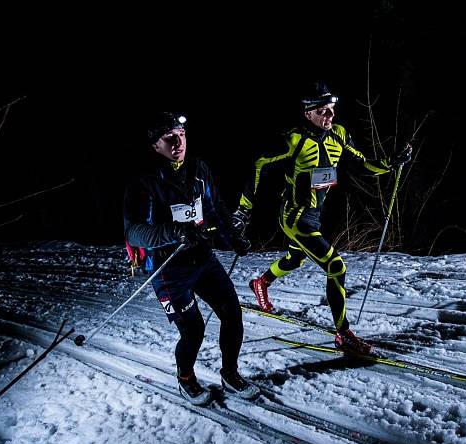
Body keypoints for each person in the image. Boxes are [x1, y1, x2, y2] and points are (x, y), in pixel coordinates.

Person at [231, 82, 412, 355]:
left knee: (295, 259)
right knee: (336, 267)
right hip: (295, 218)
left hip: (314, 215)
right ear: (308, 114)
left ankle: (261, 283)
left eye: (331, 110)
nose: (329, 116)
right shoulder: (294, 139)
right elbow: (258, 164)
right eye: (322, 111)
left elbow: (362, 164)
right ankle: (344, 335)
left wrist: (391, 162)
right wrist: (243, 209)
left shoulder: (338, 135)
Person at [123, 111, 256, 405]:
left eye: (181, 135)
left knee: (232, 312)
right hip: (169, 268)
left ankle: (230, 373)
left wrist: (232, 237)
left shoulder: (198, 168)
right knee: (194, 329)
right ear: (154, 146)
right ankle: (186, 379)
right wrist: (176, 232)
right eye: (168, 137)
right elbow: (134, 232)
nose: (177, 141)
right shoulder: (144, 181)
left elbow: (214, 208)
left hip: (202, 257)